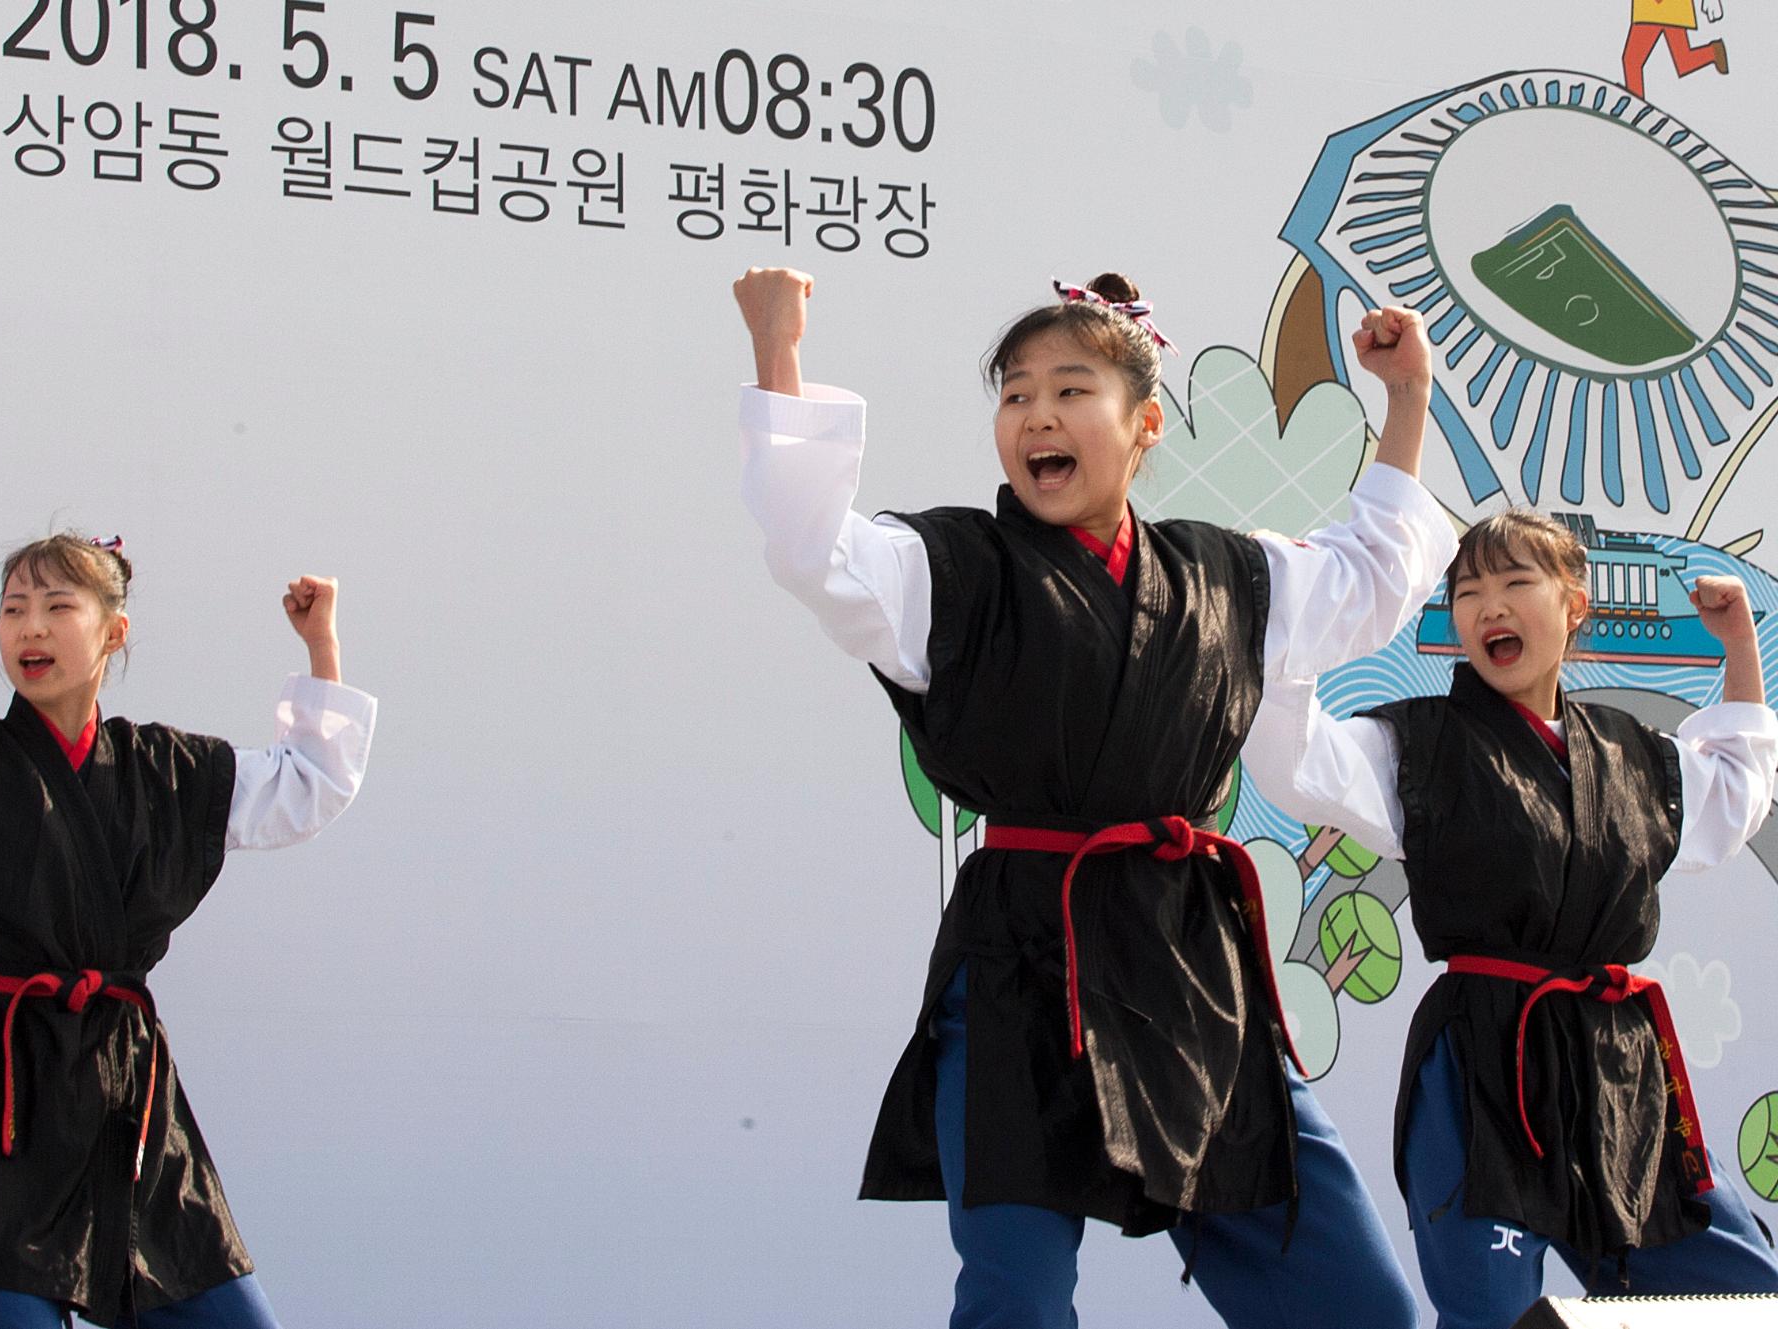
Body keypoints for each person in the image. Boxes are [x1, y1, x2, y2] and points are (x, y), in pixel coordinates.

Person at [735, 265, 1454, 1327]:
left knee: (1353, 1303)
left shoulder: (1229, 579)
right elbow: (815, 550)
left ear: (1144, 424)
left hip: (1188, 959)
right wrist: (778, 350)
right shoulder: (956, 570)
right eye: (1016, 394)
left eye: (1071, 390)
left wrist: (1406, 399)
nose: (1037, 415)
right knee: (1015, 1301)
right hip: (1023, 960)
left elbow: (1371, 575)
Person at [0, 498, 376, 1329]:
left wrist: (321, 646)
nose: (30, 627)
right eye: (13, 609)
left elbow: (303, 786)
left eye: (57, 606)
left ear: (113, 632)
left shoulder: (163, 771)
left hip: (124, 1090)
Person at [1242, 506, 1778, 1329]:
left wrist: (1740, 644)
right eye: (1468, 590)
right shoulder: (1423, 746)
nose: (1488, 605)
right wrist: (1297, 604)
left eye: (1515, 581)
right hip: (1480, 1066)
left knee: (1739, 1300)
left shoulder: (1634, 756)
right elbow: (1297, 760)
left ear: (1574, 603)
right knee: (1490, 1315)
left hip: (1615, 1064)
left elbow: (1731, 792)